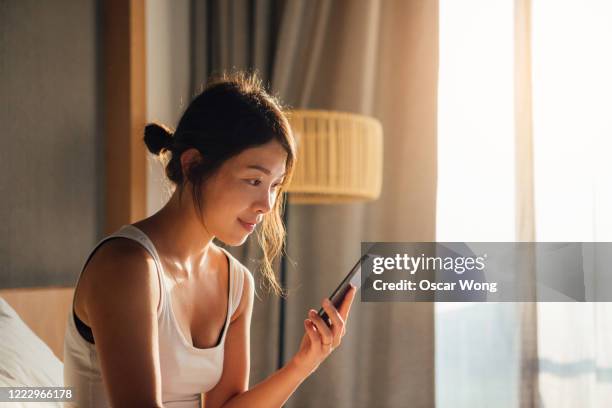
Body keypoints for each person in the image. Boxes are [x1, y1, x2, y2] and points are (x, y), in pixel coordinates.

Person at [63, 72, 357, 407]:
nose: (267, 205)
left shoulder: (235, 283)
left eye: (274, 186)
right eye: (253, 180)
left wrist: (305, 362)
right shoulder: (127, 268)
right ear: (192, 165)